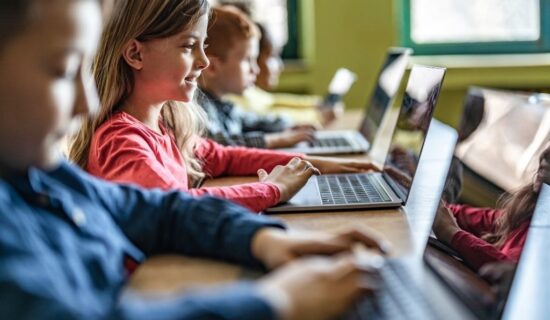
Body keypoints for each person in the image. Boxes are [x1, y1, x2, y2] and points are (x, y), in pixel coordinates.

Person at [0, 0, 388, 319]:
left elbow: (164, 210)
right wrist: (273, 302)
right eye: (65, 70)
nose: (90, 102)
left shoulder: (43, 175)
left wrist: (262, 239)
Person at [69, 0, 378, 213]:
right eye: (189, 46)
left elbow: (222, 156)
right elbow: (176, 207)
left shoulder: (162, 125)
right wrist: (271, 189)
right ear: (135, 54)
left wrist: (307, 163)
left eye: (203, 46)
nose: (203, 62)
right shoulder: (121, 140)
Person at [198, 5, 318, 149]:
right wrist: (276, 140)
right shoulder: (198, 109)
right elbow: (217, 145)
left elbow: (252, 122)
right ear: (212, 67)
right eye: (247, 60)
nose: (255, 69)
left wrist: (288, 126)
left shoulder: (224, 105)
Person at [432, 142, 549, 271]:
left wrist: (452, 233)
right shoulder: (527, 210)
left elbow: (513, 273)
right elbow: (468, 216)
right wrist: (429, 200)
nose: (546, 153)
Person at [229, 22, 343, 127]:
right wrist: (317, 116)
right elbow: (268, 118)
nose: (280, 66)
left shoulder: (250, 93)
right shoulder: (233, 97)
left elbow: (273, 102)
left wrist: (317, 104)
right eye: (272, 57)